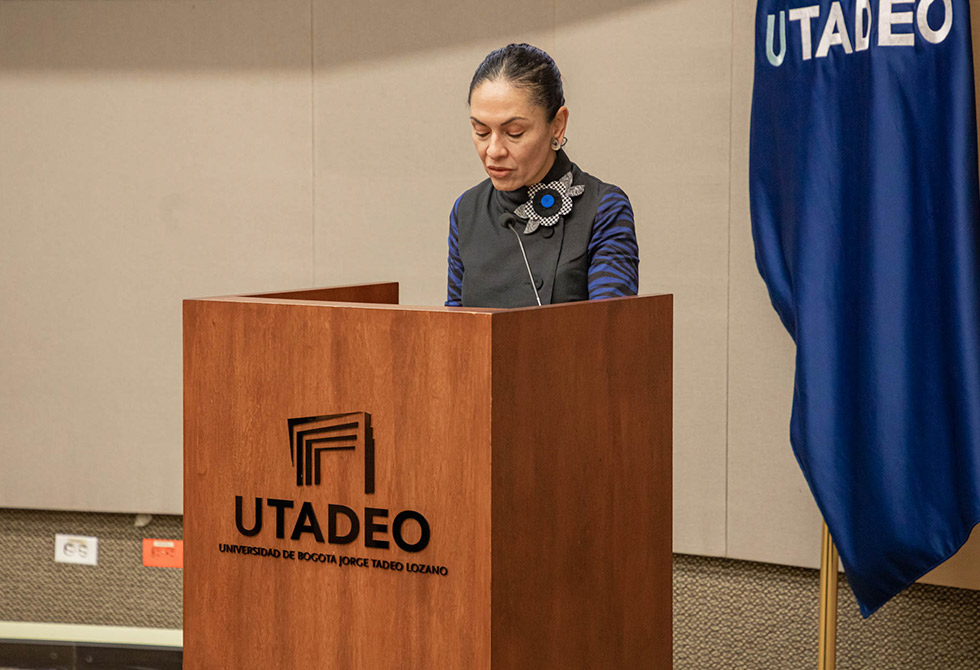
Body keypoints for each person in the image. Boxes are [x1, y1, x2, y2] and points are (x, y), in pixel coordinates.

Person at [445, 43, 639, 308]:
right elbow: (455, 324)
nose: (493, 150)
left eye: (514, 133)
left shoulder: (603, 208)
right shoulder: (467, 210)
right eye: (481, 132)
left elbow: (609, 326)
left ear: (557, 125)